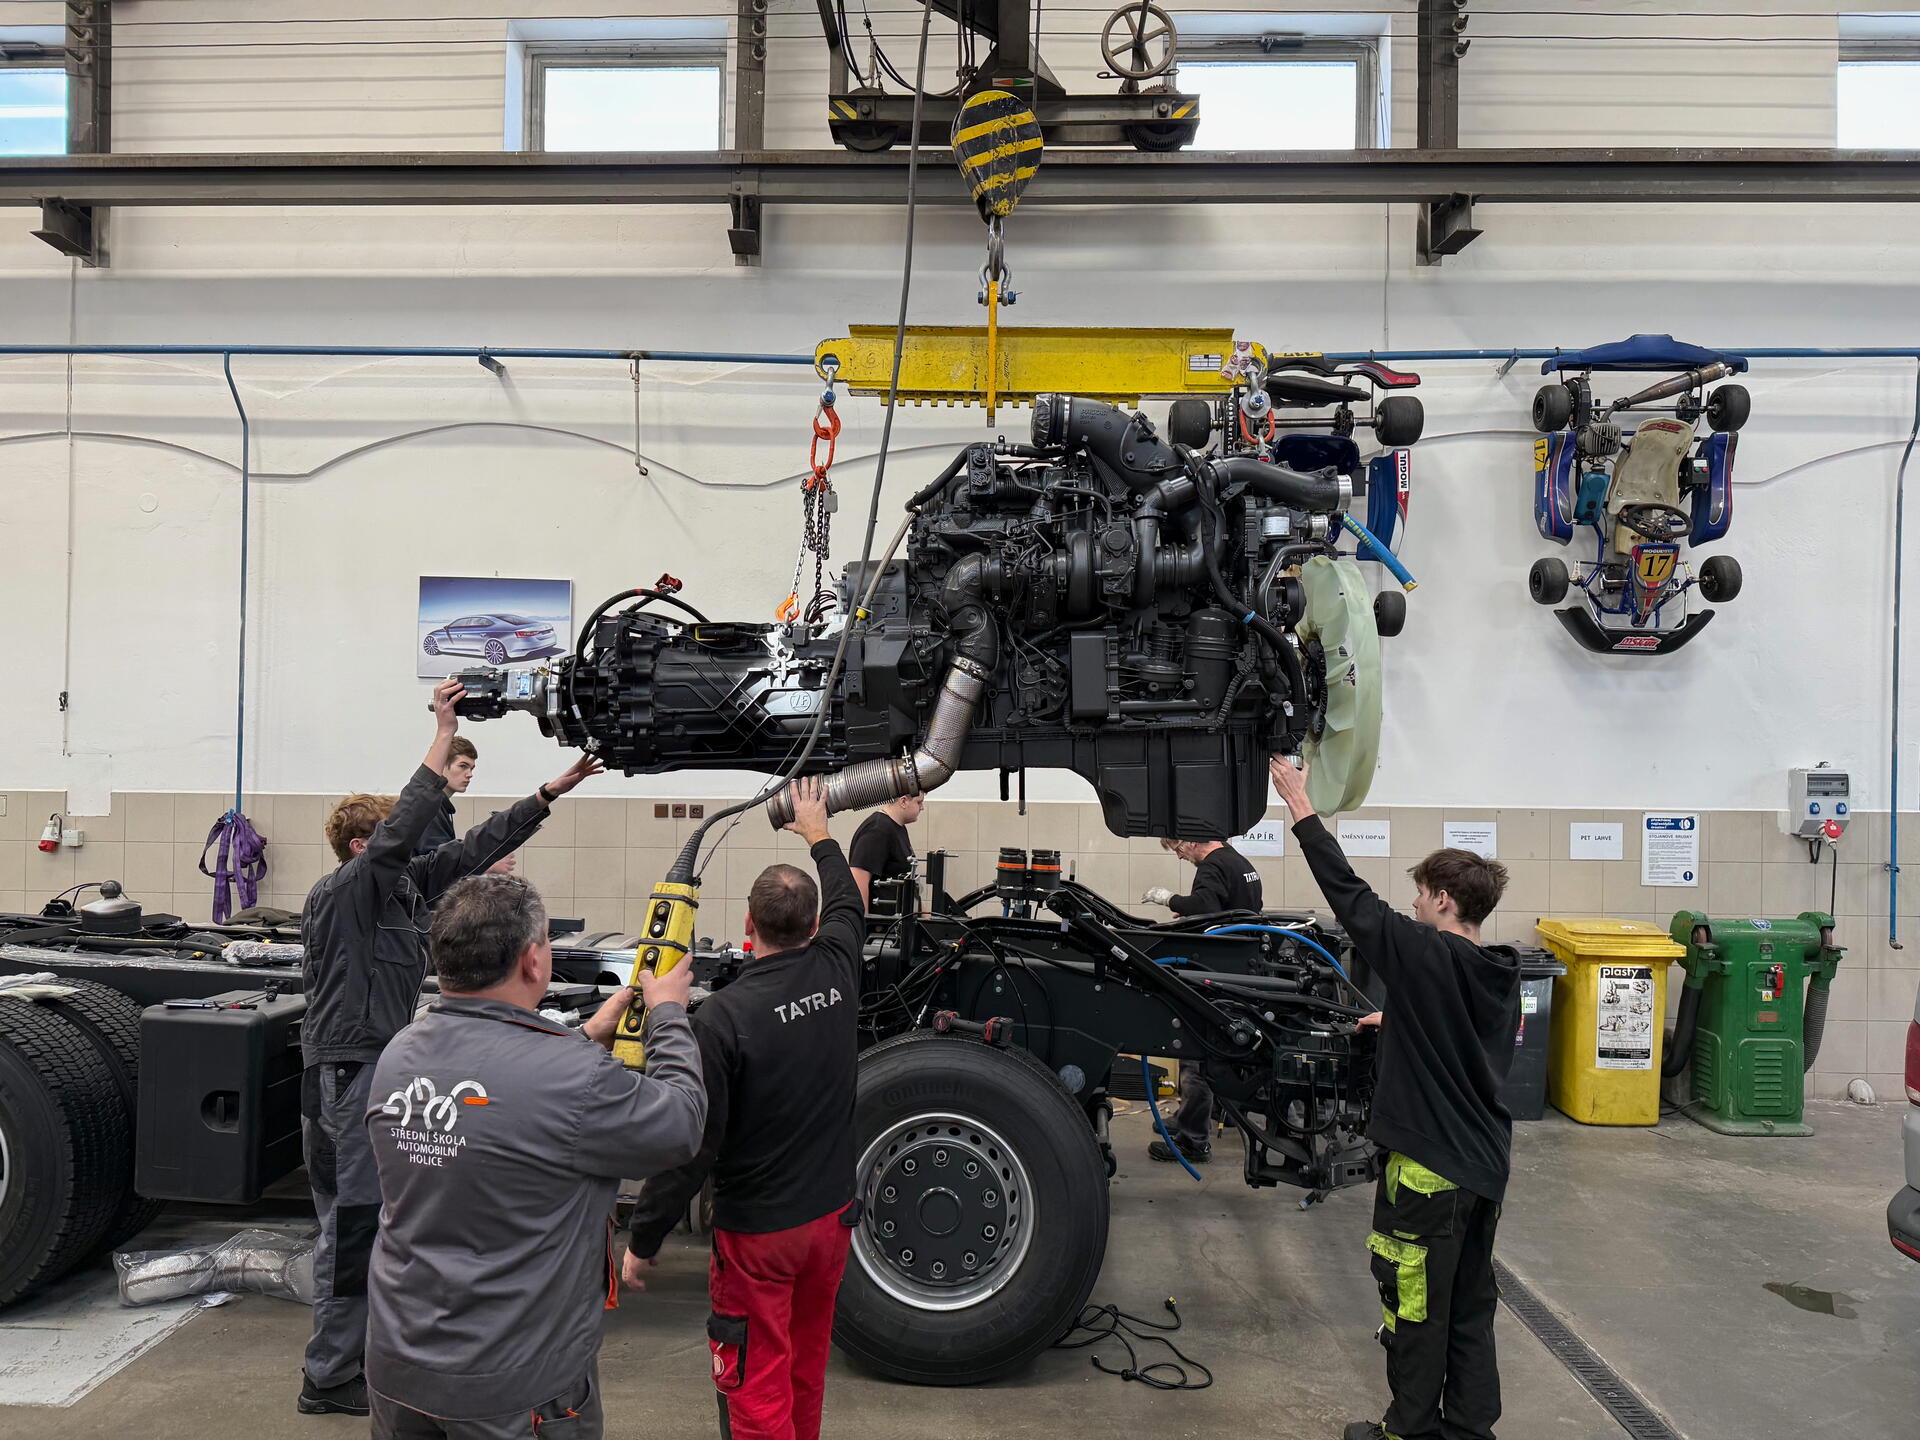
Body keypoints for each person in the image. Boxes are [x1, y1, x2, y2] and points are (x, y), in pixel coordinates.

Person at [296, 678, 604, 1418]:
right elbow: (410, 825)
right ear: (363, 847)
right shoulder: (348, 889)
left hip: (360, 1067)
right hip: (348, 1072)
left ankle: (350, 1360)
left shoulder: (397, 891)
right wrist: (443, 731)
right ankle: (330, 1375)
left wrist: (549, 791)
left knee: (368, 1225)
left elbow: (474, 848)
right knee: (357, 1228)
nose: (416, 849)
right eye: (397, 842)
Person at [363, 874, 706, 1440]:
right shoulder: (572, 1078)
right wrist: (668, 1014)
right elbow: (680, 1124)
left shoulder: (402, 1052)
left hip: (399, 1367)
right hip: (513, 1388)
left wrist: (586, 1037)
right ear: (532, 962)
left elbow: (510, 1093)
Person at [1268, 755, 1520, 1440]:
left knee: (1413, 1304)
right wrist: (1399, 1019)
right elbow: (1459, 1035)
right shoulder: (1497, 974)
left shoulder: (1427, 954)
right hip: (1484, 1169)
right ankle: (1470, 1428)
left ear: (1444, 899)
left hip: (1426, 1173)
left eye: (1420, 895)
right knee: (1468, 1304)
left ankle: (1407, 1431)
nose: (1412, 905)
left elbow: (1352, 900)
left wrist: (1300, 806)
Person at [623, 776, 863, 1440]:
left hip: (761, 1238)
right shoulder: (840, 966)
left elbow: (690, 1146)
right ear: (814, 927)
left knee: (755, 1381)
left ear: (748, 929)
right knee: (805, 1367)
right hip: (832, 1222)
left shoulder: (723, 1019)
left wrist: (644, 1238)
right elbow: (847, 898)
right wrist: (816, 828)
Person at [1141, 836, 1265, 1165]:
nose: (1180, 857)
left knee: (1195, 1056)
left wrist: (1170, 900)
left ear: (1192, 841)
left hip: (1217, 975)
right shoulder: (1238, 862)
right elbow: (1226, 914)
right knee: (1202, 1056)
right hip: (1237, 971)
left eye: (1179, 849)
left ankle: (1192, 1140)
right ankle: (1187, 1118)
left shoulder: (1212, 866)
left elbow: (1204, 907)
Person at [416, 737, 517, 874]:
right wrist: (488, 866)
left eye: (471, 768)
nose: (470, 774)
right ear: (441, 764)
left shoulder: (439, 806)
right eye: (463, 766)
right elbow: (436, 866)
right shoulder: (429, 806)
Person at [847, 792, 923, 910]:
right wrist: (864, 923)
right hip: (881, 926)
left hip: (899, 923)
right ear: (903, 801)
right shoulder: (878, 829)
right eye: (919, 802)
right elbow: (858, 879)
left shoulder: (898, 827)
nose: (922, 807)